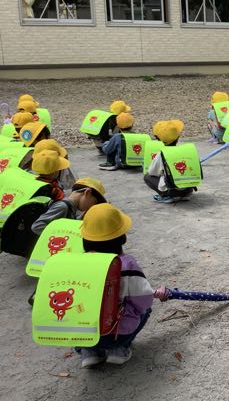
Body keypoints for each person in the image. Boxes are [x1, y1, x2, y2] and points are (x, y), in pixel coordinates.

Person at [77, 203, 154, 368]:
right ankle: (118, 349)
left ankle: (88, 352)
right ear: (122, 237)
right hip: (116, 334)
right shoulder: (126, 265)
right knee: (146, 310)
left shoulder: (75, 264)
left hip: (82, 334)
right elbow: (145, 299)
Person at [31, 177, 106, 236]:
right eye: (94, 202)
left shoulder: (71, 207)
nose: (92, 206)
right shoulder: (63, 207)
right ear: (87, 192)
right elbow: (37, 226)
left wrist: (81, 219)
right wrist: (61, 236)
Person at [144, 120, 194, 202]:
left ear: (159, 140)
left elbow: (152, 172)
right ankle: (185, 194)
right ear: (178, 138)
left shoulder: (162, 154)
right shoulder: (186, 151)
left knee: (147, 177)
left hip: (172, 191)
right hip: (188, 189)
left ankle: (167, 196)